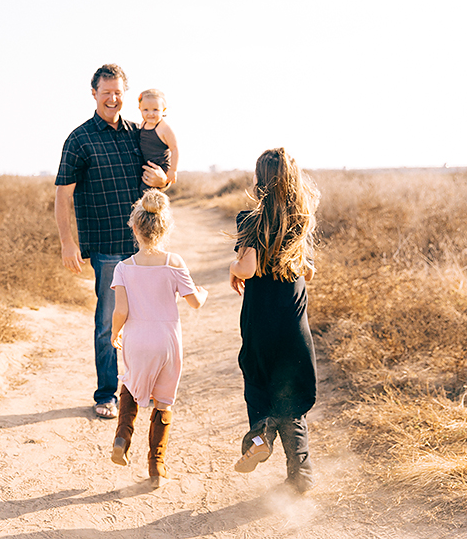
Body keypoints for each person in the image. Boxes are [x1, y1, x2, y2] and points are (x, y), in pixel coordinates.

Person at [54, 64, 169, 419]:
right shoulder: (79, 139)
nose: (113, 99)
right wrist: (68, 243)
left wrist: (165, 179)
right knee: (108, 322)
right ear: (94, 94)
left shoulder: (139, 133)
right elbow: (62, 196)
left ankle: (139, 390)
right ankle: (106, 394)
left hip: (141, 248)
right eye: (106, 93)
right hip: (105, 249)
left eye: (118, 92)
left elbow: (161, 176)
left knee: (145, 321)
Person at [228, 147, 320, 494]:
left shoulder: (250, 220)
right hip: (294, 328)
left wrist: (233, 269)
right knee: (292, 402)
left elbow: (248, 267)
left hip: (260, 326)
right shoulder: (299, 220)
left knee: (260, 387)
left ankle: (261, 433)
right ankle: (302, 476)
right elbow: (308, 272)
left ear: (259, 182)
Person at [109, 190, 208, 488]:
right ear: (165, 228)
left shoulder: (124, 267)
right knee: (163, 402)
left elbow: (121, 310)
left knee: (129, 383)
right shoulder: (174, 262)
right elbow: (194, 303)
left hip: (136, 339)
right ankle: (157, 466)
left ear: (135, 228)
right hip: (167, 342)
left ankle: (122, 437)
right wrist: (203, 292)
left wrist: (116, 333)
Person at [137, 89, 179, 192]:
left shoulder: (164, 128)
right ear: (140, 109)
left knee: (146, 191)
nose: (150, 113)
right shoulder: (143, 124)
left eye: (155, 110)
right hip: (148, 165)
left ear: (163, 110)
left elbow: (174, 149)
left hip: (160, 166)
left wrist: (172, 170)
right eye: (146, 110)